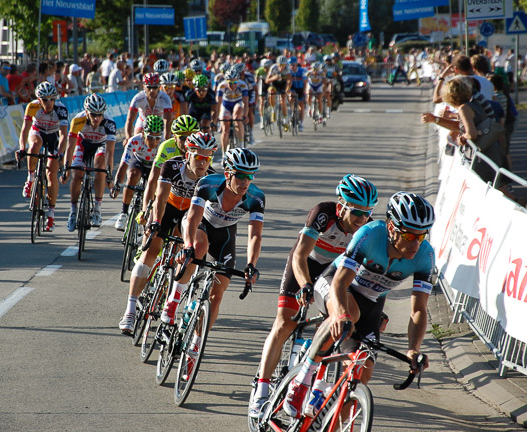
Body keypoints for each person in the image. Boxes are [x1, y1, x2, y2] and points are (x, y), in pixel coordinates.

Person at [282, 192, 435, 419]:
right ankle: (302, 380)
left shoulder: (425, 255)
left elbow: (419, 310)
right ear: (391, 227)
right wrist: (341, 315)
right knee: (349, 313)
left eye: (421, 236)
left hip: (371, 300)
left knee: (362, 371)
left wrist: (414, 349)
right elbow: (340, 282)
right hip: (336, 283)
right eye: (409, 236)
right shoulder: (369, 234)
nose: (415, 243)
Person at [249, 174, 379, 419]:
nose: (362, 219)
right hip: (307, 264)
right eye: (357, 213)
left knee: (339, 321)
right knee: (285, 322)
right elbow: (300, 256)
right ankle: (262, 388)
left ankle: (315, 379)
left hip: (335, 273)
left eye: (367, 213)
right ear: (341, 207)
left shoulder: (367, 230)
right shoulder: (323, 214)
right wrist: (306, 285)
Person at [168, 148, 265, 377]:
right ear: (228, 173)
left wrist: (251, 264)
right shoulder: (208, 184)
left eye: (251, 176)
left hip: (225, 235)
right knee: (199, 248)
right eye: (241, 175)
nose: (245, 182)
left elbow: (254, 235)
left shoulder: (256, 197)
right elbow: (192, 218)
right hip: (199, 225)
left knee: (217, 293)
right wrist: (188, 246)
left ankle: (195, 347)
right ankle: (173, 301)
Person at [118, 131, 217, 333]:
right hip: (167, 207)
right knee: (150, 252)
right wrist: (154, 222)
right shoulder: (172, 166)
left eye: (207, 158)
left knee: (189, 255)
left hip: (187, 215)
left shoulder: (210, 178)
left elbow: (202, 217)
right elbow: (161, 197)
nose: (203, 162)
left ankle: (169, 301)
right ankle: (129, 311)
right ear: (188, 154)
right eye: (198, 156)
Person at [16, 82, 69, 232]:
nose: (49, 103)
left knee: (52, 173)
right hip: (37, 131)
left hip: (53, 136)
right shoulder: (32, 107)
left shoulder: (61, 109)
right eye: (45, 100)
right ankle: (31, 178)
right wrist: (21, 148)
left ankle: (51, 215)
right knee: (35, 145)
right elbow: (25, 130)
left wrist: (60, 153)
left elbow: (64, 135)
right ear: (39, 100)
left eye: (52, 99)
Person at [61, 93, 116, 230]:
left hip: (100, 145)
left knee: (100, 167)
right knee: (77, 173)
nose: (96, 118)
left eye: (99, 114)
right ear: (86, 112)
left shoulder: (110, 124)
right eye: (93, 114)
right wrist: (65, 169)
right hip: (83, 143)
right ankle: (73, 211)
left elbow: (110, 151)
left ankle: (97, 209)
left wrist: (109, 174)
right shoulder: (77, 120)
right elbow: (70, 146)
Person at [112, 115, 164, 231]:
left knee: (156, 187)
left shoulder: (163, 144)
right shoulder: (135, 141)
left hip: (154, 166)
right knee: (133, 175)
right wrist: (117, 184)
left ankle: (148, 217)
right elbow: (124, 164)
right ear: (143, 133)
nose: (154, 142)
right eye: (150, 137)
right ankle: (124, 213)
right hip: (138, 162)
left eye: (157, 138)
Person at [125, 72, 173, 140]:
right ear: (144, 86)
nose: (151, 90)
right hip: (143, 121)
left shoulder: (165, 99)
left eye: (154, 87)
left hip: (159, 123)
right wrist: (128, 138)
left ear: (159, 87)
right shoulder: (138, 98)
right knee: (137, 140)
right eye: (149, 87)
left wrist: (166, 141)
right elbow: (129, 120)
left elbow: (167, 121)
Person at [217, 67, 249, 153]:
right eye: (230, 83)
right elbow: (218, 103)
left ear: (238, 81)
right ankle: (224, 154)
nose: (233, 85)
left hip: (237, 103)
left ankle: (242, 146)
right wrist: (216, 116)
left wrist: (245, 115)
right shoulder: (221, 86)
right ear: (226, 81)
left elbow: (245, 102)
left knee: (237, 118)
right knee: (225, 129)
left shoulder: (242, 85)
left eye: (235, 82)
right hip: (226, 105)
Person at [266, 56, 292, 129]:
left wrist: (288, 88)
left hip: (283, 84)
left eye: (283, 65)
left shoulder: (287, 68)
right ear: (277, 64)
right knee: (271, 92)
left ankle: (285, 120)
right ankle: (273, 110)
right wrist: (274, 77)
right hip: (274, 84)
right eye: (280, 65)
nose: (281, 67)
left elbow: (290, 80)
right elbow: (267, 80)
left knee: (283, 101)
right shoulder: (273, 68)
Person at [288, 57, 307, 131]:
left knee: (301, 105)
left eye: (293, 65)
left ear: (296, 64)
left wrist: (304, 92)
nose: (292, 66)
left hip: (300, 88)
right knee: (291, 96)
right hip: (292, 87)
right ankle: (290, 110)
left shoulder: (302, 71)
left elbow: (305, 83)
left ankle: (301, 123)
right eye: (290, 65)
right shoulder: (289, 72)